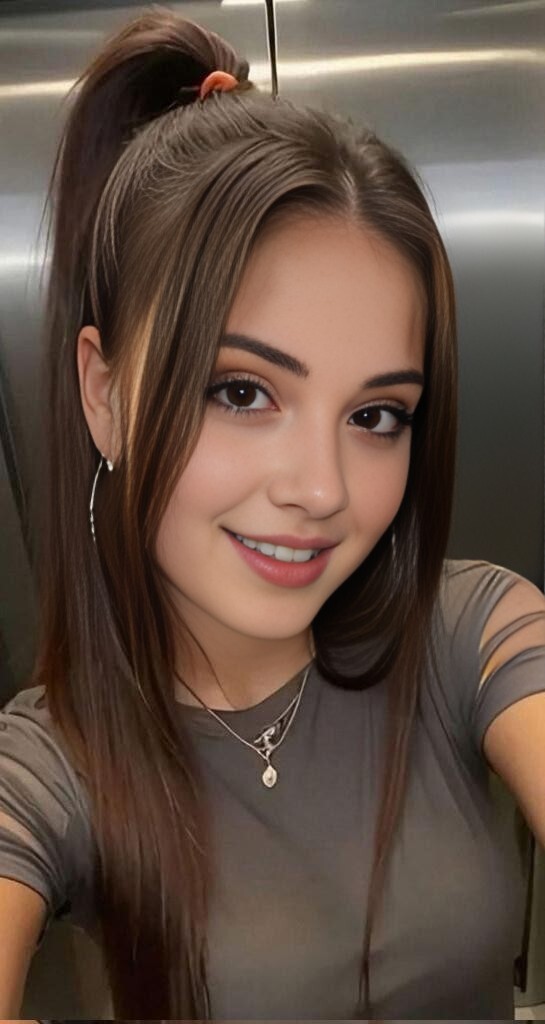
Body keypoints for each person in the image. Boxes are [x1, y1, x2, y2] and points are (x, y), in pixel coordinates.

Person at [0, 5, 544, 1020]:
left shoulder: (471, 633)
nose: (321, 489)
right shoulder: (52, 761)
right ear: (103, 394)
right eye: (241, 392)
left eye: (375, 415)